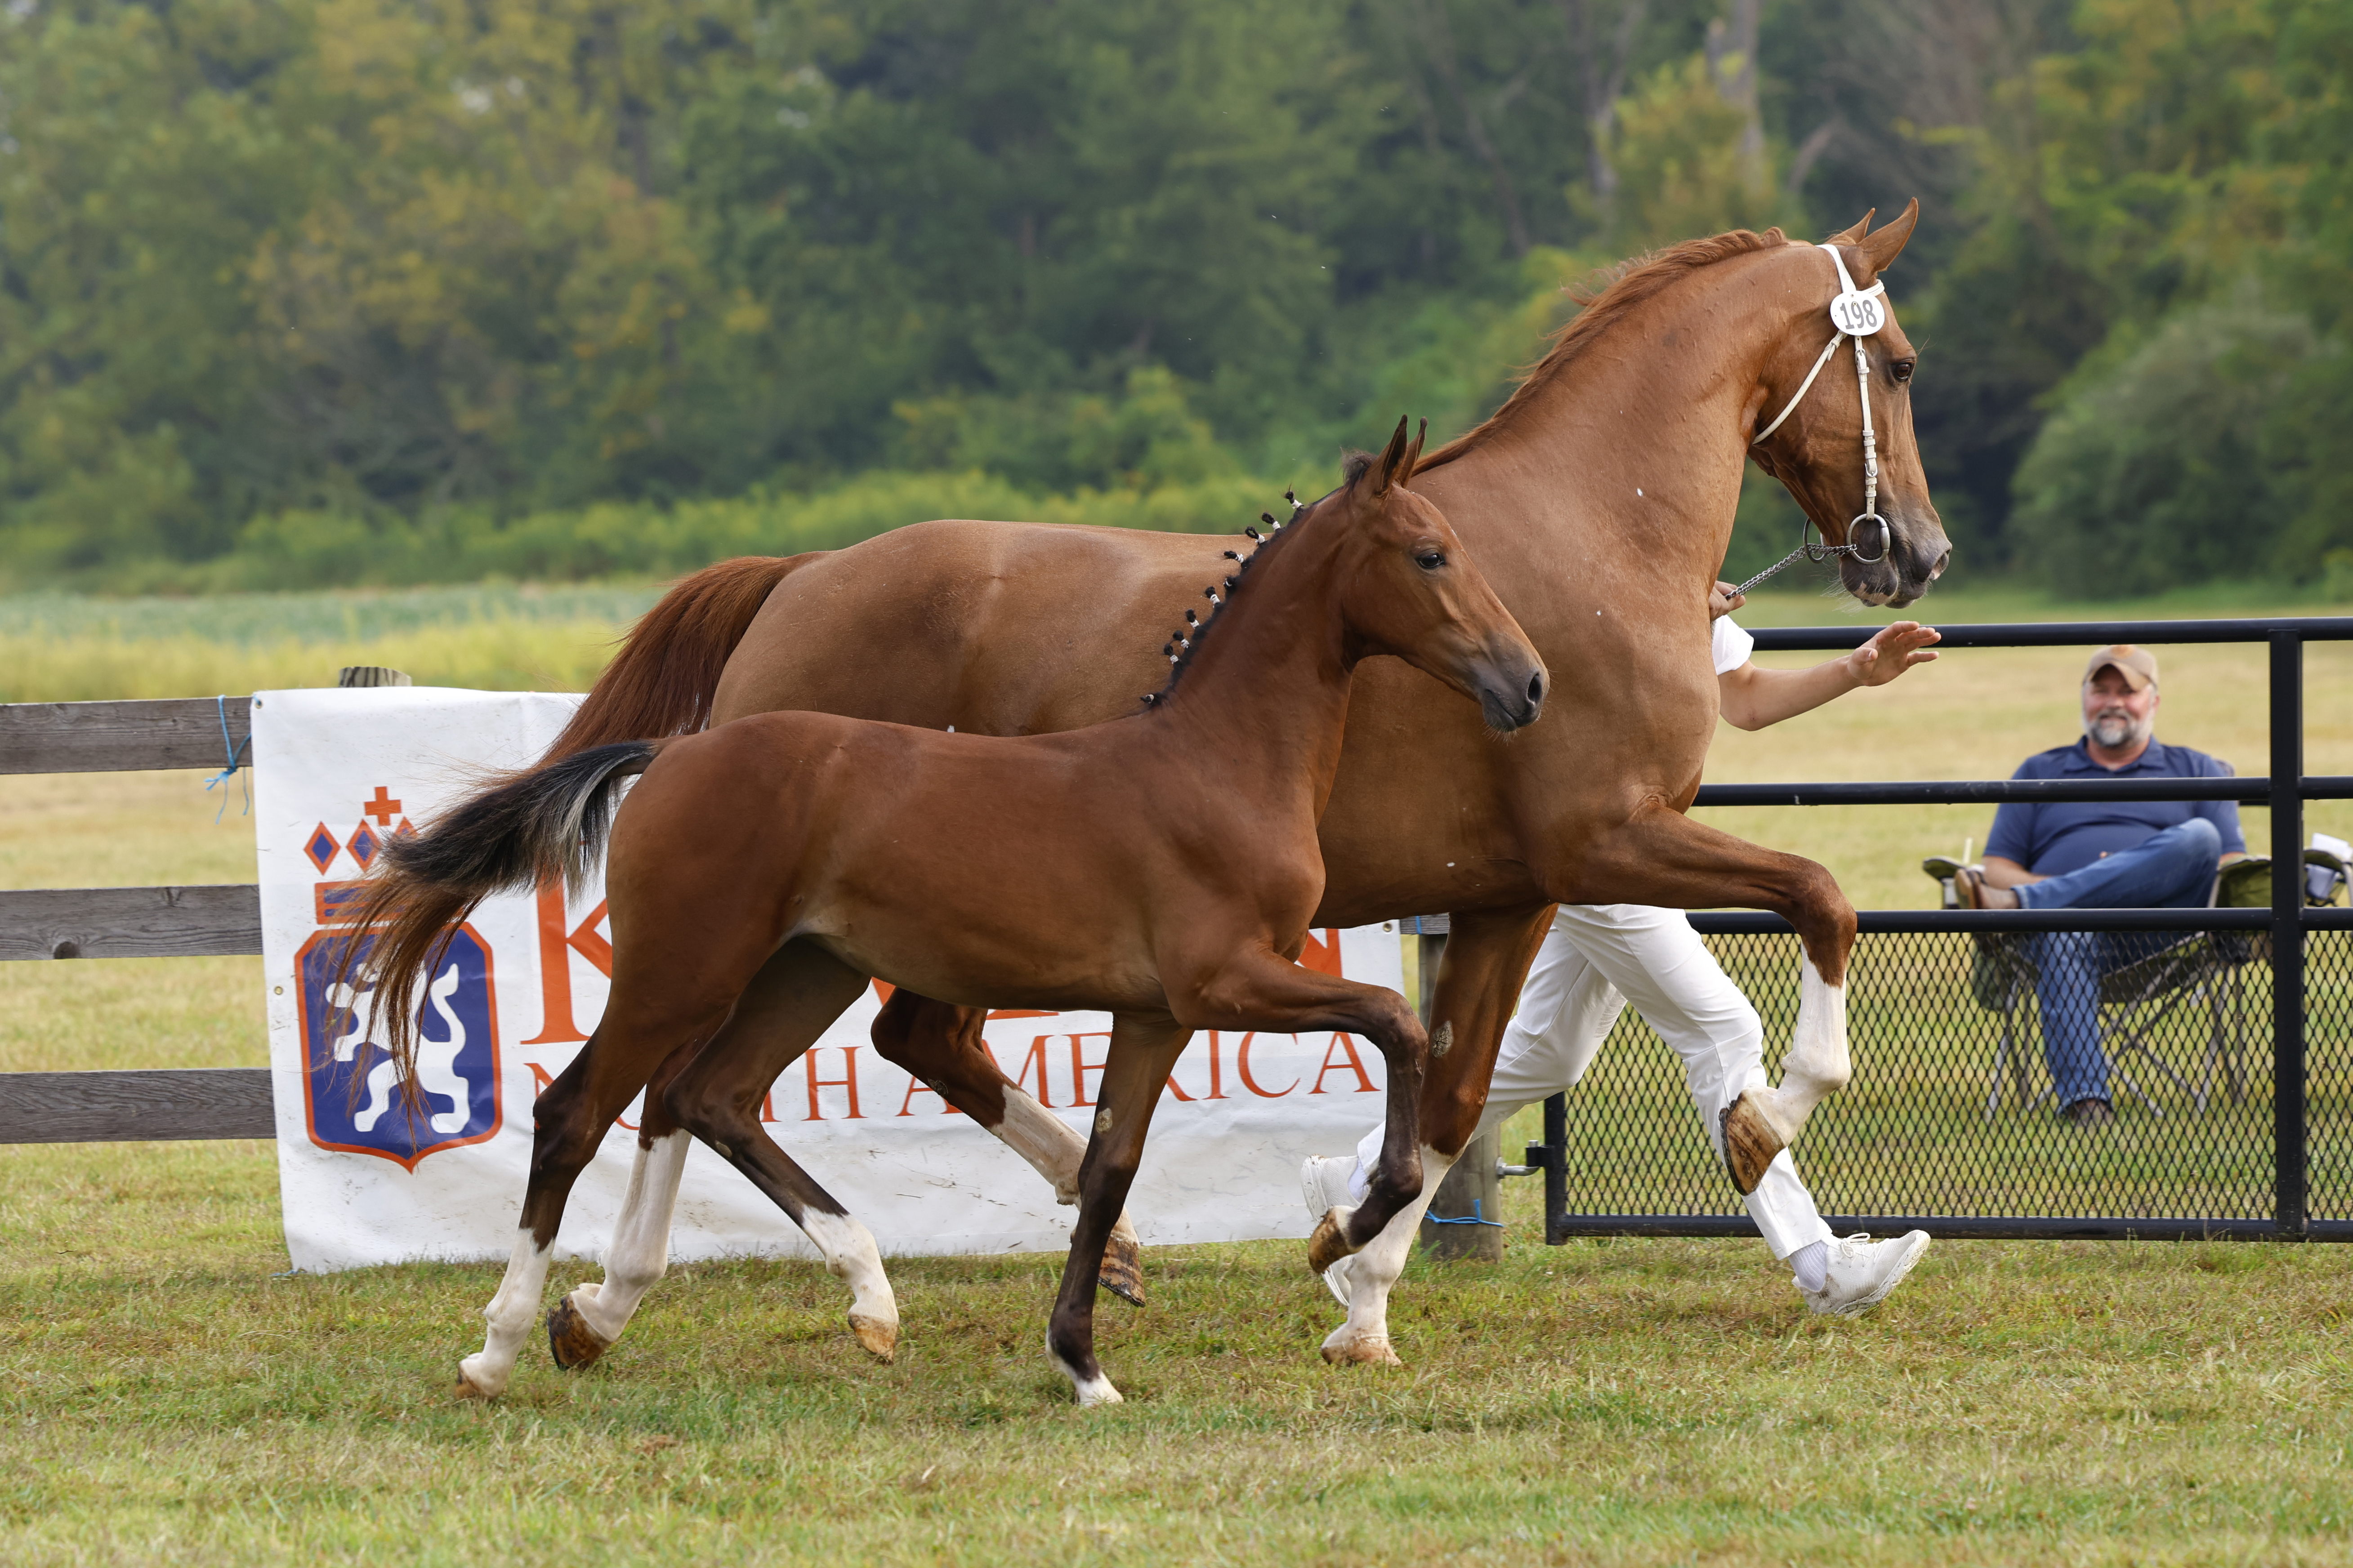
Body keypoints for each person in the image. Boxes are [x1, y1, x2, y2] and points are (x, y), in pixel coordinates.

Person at [1304, 585, 1942, 1318]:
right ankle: (1818, 1264)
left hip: (1631, 843)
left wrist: (1853, 670)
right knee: (1721, 1028)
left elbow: (1747, 700)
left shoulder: (1685, 574)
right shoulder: (1598, 569)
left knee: (1547, 1053)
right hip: (1597, 841)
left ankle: (1356, 1175)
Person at [1955, 645, 2244, 1127]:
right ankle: (2087, 1105)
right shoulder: (2039, 772)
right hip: (2060, 938)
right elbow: (1997, 868)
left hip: (2164, 935)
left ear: (2153, 701)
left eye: (2127, 692)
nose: (2112, 701)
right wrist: (2084, 895)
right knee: (2065, 926)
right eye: (2100, 689)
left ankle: (2030, 904)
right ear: (2083, 697)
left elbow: (2229, 862)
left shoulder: (2196, 769)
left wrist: (2097, 883)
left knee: (2201, 837)